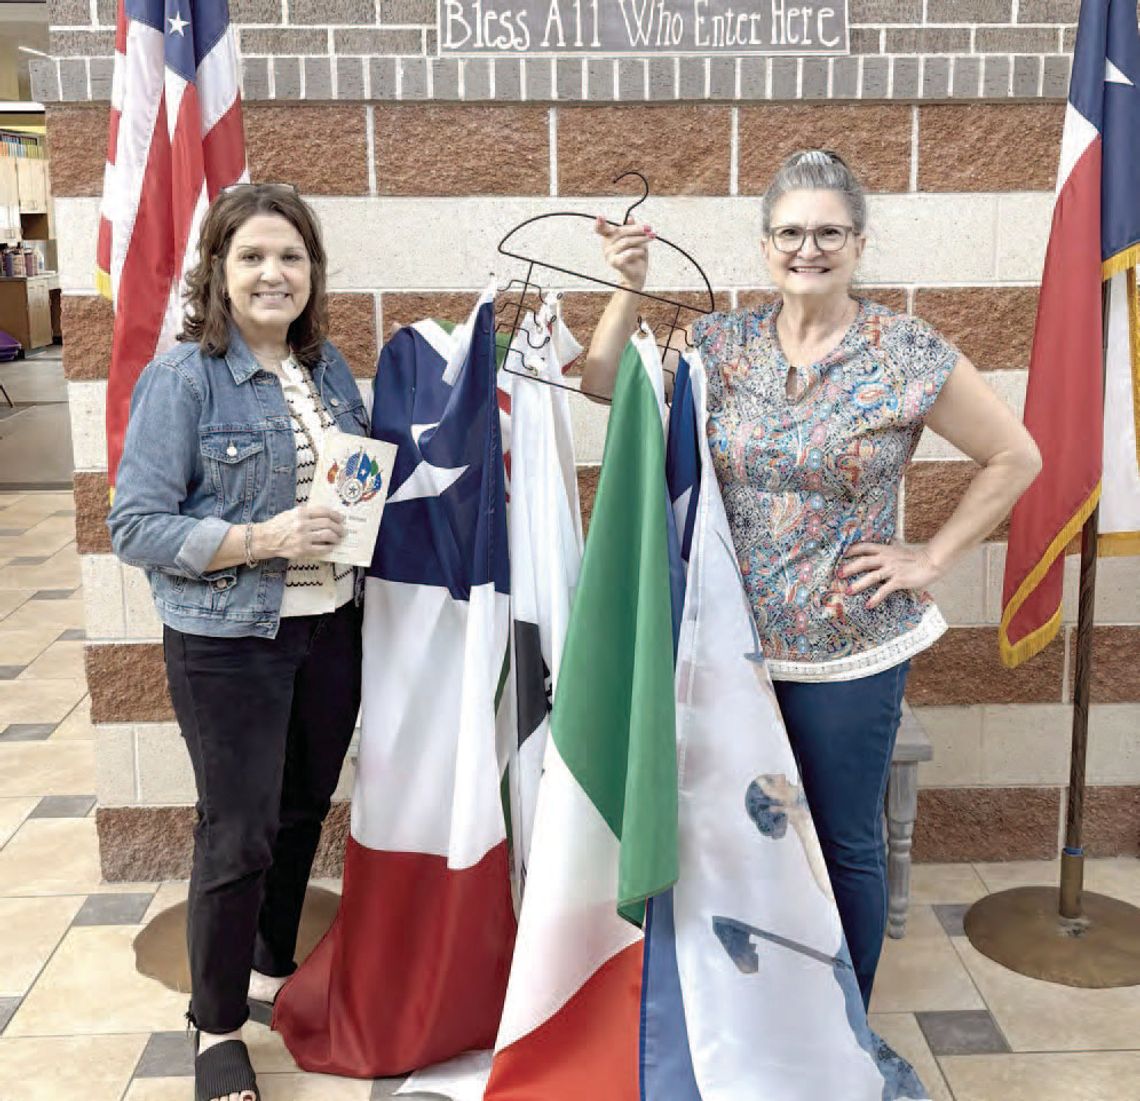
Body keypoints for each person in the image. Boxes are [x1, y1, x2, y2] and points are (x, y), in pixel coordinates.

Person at [582, 150, 1041, 1009]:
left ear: (859, 243)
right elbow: (605, 383)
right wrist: (627, 287)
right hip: (728, 642)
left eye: (829, 231)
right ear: (765, 247)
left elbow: (1016, 455)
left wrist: (930, 557)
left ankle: (842, 1028)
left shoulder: (906, 349)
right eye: (790, 232)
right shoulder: (721, 343)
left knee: (840, 840)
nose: (809, 247)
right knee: (727, 834)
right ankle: (752, 1018)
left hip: (849, 651)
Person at [108, 183, 371, 1101]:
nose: (273, 273)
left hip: (329, 629)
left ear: (313, 273)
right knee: (238, 833)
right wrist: (264, 539)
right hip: (229, 643)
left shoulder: (328, 366)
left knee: (303, 808)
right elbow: (134, 525)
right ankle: (214, 1026)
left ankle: (266, 968)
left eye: (291, 257)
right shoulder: (185, 377)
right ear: (218, 271)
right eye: (253, 256)